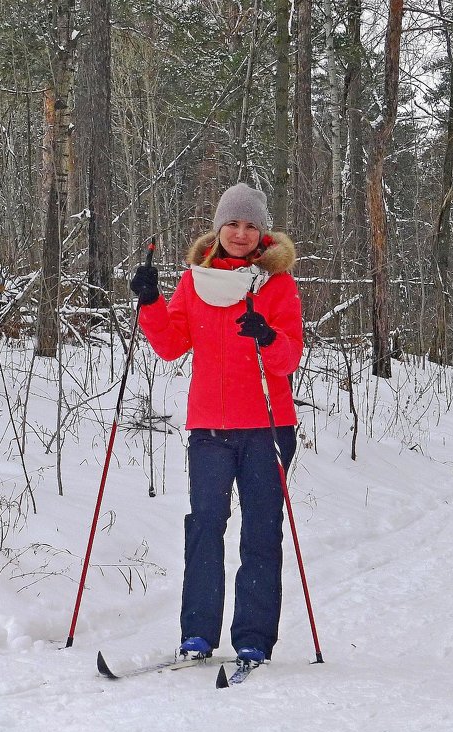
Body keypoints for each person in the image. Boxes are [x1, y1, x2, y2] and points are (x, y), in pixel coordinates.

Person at [129, 182, 303, 665]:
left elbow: (288, 359)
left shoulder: (277, 284)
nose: (242, 233)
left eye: (251, 225)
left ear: (262, 231)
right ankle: (198, 636)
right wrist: (150, 303)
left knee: (261, 533)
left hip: (267, 427)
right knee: (205, 528)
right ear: (218, 228)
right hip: (208, 429)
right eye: (233, 223)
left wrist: (267, 336)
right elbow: (170, 345)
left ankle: (253, 637)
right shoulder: (195, 282)